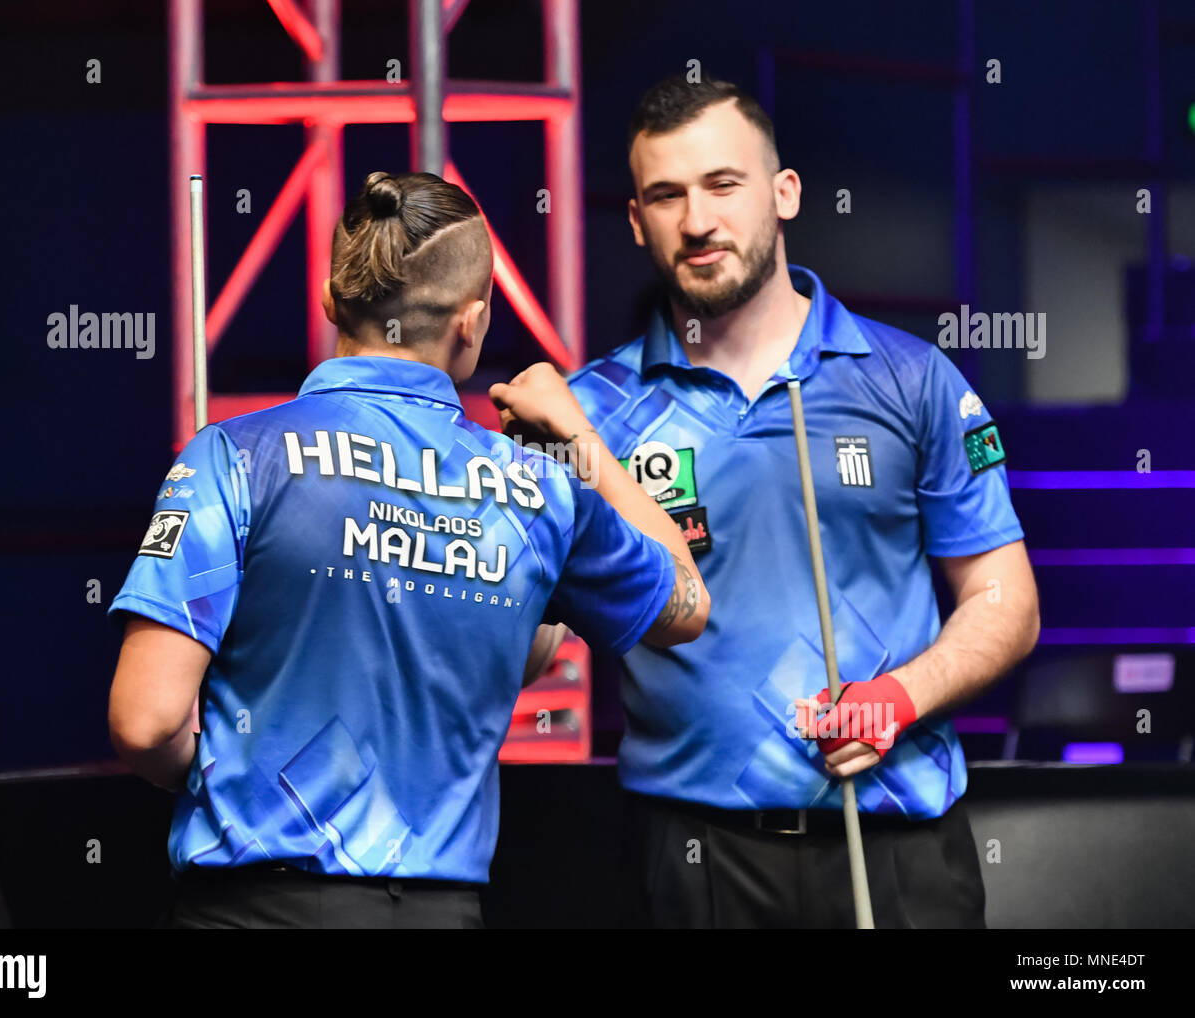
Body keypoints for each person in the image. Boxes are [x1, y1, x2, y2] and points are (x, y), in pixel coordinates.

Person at [106, 170, 710, 929]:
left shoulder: (231, 457)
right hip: (436, 914)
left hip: (251, 907)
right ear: (472, 323)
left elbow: (146, 720)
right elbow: (686, 602)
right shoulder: (537, 493)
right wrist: (580, 439)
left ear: (330, 299)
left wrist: (218, 781)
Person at [566, 73, 1040, 928]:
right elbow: (530, 641)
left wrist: (900, 696)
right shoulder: (589, 413)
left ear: (783, 194)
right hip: (692, 858)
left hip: (896, 847)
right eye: (666, 196)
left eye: (722, 184)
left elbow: (1006, 601)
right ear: (636, 221)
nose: (699, 220)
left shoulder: (910, 379)